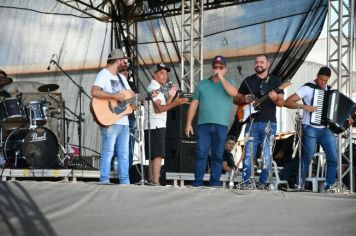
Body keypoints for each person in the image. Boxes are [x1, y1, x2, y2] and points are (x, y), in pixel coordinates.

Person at [284, 66, 354, 190]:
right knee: (308, 156)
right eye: (321, 79)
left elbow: (336, 114)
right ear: (317, 75)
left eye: (325, 80)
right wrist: (305, 107)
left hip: (325, 129)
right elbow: (287, 102)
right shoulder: (307, 88)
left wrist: (346, 121)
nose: (322, 83)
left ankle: (329, 186)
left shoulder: (329, 91)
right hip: (310, 127)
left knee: (333, 157)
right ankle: (299, 184)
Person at [185, 55, 238, 187]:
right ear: (211, 68)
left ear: (225, 69)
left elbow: (234, 93)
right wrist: (188, 123)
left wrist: (221, 78)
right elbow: (194, 104)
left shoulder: (230, 82)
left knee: (218, 155)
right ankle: (197, 183)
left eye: (221, 67)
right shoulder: (202, 84)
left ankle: (215, 183)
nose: (218, 69)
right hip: (203, 125)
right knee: (201, 154)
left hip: (221, 125)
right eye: (215, 67)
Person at [233, 54, 284, 188]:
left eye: (261, 62)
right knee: (249, 153)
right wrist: (243, 99)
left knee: (267, 154)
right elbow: (235, 99)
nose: (258, 64)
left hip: (269, 123)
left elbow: (281, 102)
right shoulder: (248, 81)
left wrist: (274, 99)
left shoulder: (276, 81)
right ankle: (245, 182)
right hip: (251, 123)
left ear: (267, 64)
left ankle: (262, 183)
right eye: (256, 62)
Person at [91, 49, 134, 184]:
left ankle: (125, 181)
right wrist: (114, 96)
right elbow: (94, 91)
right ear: (118, 60)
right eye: (123, 60)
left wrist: (138, 100)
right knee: (108, 151)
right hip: (110, 119)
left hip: (124, 121)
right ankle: (104, 179)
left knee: (124, 154)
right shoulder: (103, 74)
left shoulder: (121, 77)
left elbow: (131, 95)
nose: (125, 62)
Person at [144, 63, 188, 185]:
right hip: (155, 124)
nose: (165, 76)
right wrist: (176, 103)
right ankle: (156, 181)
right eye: (162, 72)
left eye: (166, 73)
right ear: (155, 74)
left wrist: (171, 97)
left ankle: (153, 180)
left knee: (155, 155)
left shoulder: (157, 88)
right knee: (158, 155)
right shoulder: (154, 88)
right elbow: (159, 109)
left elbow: (163, 107)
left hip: (155, 124)